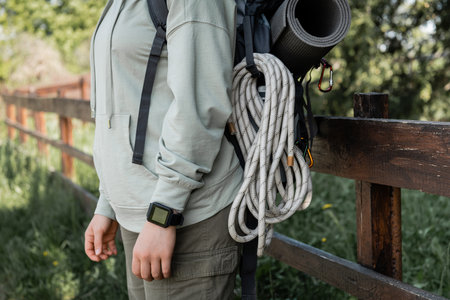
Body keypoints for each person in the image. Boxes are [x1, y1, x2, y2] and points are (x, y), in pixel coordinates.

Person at [83, 0, 243, 299]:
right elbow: (120, 109)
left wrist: (164, 213)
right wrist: (108, 202)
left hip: (188, 215)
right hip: (141, 214)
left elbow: (200, 105)